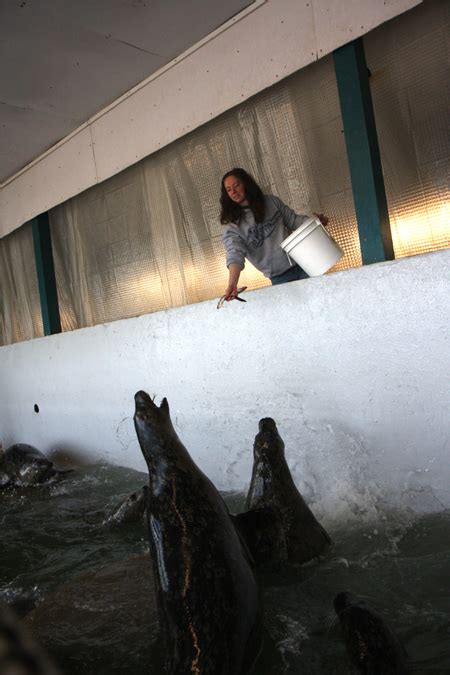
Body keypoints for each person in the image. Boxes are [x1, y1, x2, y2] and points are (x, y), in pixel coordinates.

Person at [220, 168, 328, 300]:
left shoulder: (271, 202)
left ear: (246, 184)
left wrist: (316, 223)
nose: (233, 192)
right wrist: (232, 284)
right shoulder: (232, 226)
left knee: (322, 303)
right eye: (229, 189)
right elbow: (235, 255)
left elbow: (294, 221)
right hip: (279, 278)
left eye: (236, 185)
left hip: (304, 264)